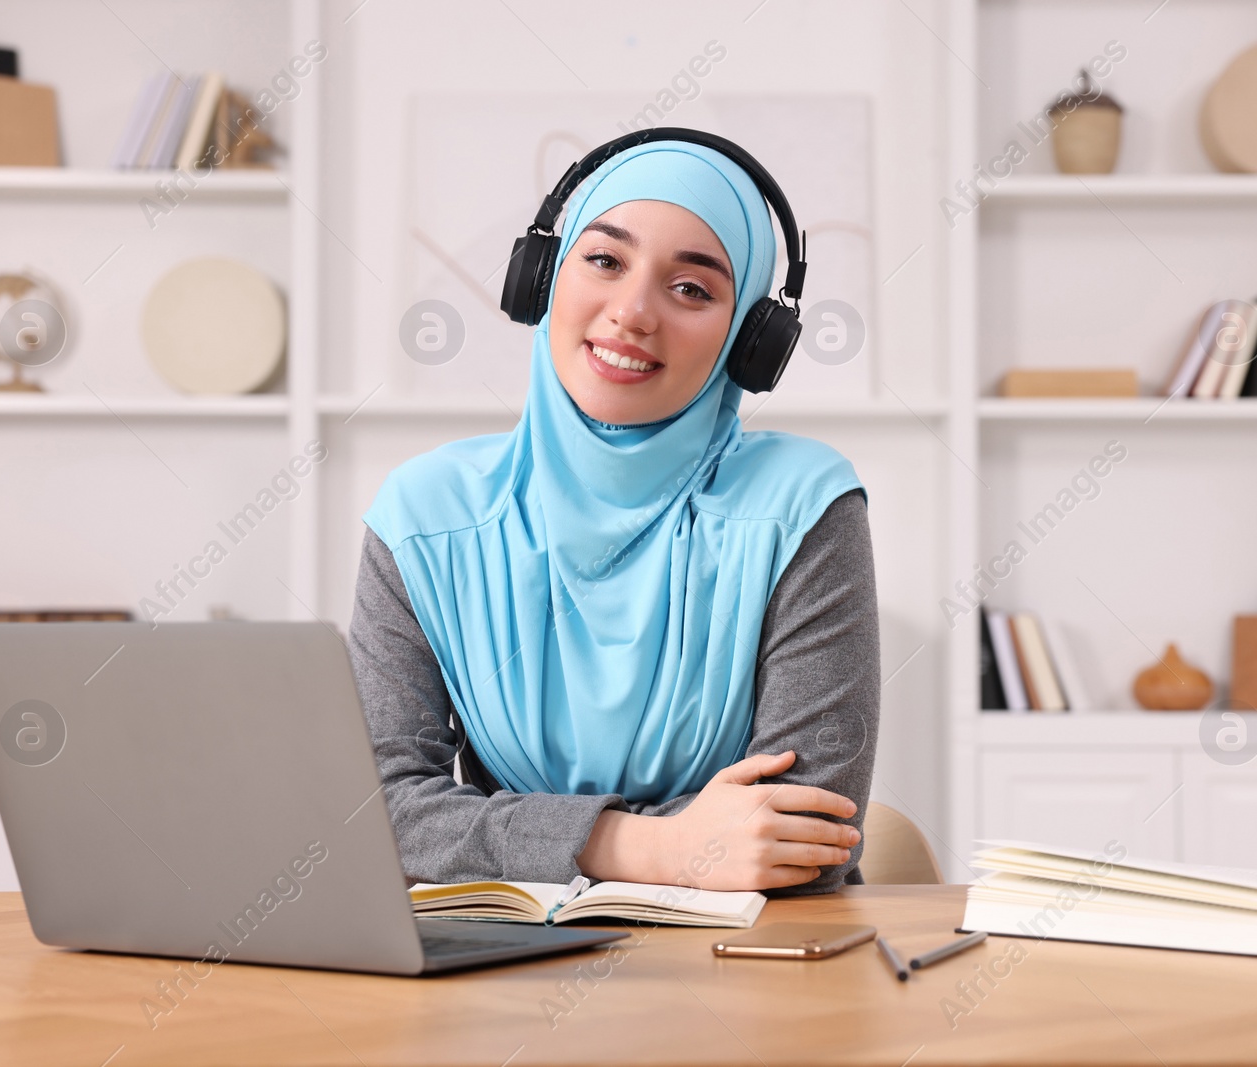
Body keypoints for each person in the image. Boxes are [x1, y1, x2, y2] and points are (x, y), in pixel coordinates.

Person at [348, 136, 878, 896]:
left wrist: (507, 832)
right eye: (604, 261)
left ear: (748, 342)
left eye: (692, 289)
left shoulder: (801, 507)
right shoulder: (427, 517)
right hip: (500, 970)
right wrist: (651, 847)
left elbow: (804, 839)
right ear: (543, 279)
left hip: (750, 974)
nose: (632, 313)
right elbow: (378, 814)